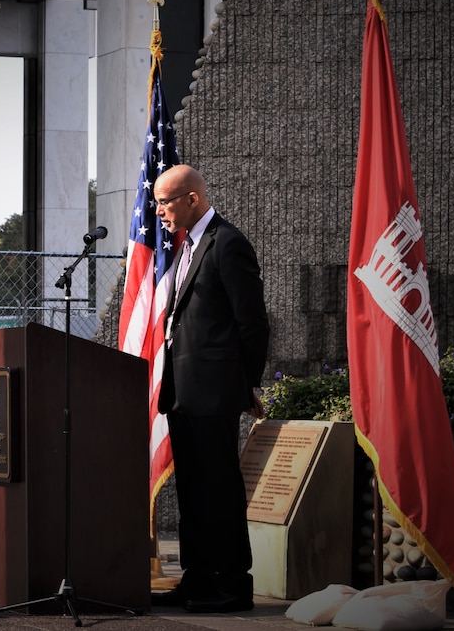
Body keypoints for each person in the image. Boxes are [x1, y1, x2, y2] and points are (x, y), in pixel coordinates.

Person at [149, 164, 270, 614]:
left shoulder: (228, 243)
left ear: (192, 200)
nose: (158, 209)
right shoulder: (187, 246)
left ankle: (233, 587)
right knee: (193, 493)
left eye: (165, 201)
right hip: (183, 393)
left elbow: (253, 322)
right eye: (158, 200)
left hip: (215, 392)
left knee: (219, 491)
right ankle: (197, 579)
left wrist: (247, 385)